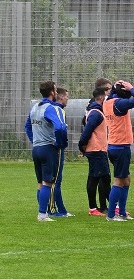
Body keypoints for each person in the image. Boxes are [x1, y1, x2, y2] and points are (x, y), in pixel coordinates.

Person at [24, 81, 68, 222]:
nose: (56, 93)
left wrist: (34, 140)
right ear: (52, 92)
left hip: (36, 148)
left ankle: (43, 211)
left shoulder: (35, 107)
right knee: (48, 182)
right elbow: (60, 127)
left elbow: (27, 126)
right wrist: (60, 143)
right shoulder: (50, 108)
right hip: (48, 148)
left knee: (40, 183)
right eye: (55, 90)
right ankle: (42, 214)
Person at [104, 80, 134, 221]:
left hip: (114, 145)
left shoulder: (107, 102)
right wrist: (132, 88)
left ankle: (122, 212)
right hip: (120, 146)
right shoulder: (119, 104)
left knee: (126, 179)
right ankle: (111, 215)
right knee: (119, 181)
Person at [79, 87, 111, 216]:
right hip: (96, 150)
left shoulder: (96, 112)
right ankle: (93, 208)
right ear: (102, 97)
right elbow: (87, 130)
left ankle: (112, 206)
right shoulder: (96, 113)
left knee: (103, 178)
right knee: (96, 178)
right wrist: (82, 145)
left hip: (99, 149)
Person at [48, 87, 73, 217]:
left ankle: (60, 209)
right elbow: (60, 129)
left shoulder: (44, 108)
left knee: (47, 180)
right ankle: (53, 210)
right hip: (56, 148)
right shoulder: (58, 110)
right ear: (61, 97)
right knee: (55, 180)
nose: (68, 99)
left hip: (45, 147)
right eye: (67, 96)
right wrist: (61, 144)